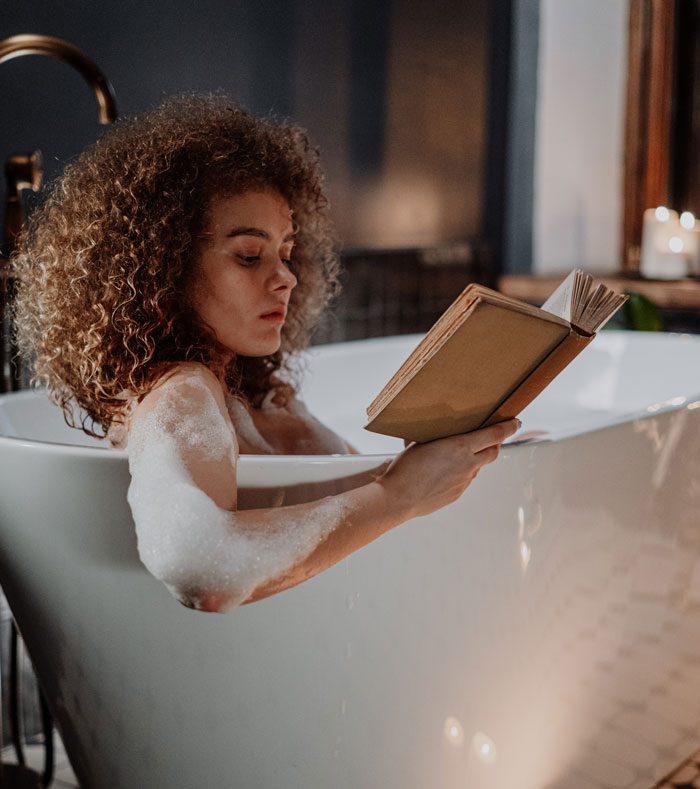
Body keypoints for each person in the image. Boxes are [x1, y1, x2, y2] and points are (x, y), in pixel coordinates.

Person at [11, 94, 518, 612]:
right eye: (250, 256)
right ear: (163, 270)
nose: (286, 277)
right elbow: (200, 564)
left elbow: (345, 483)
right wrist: (398, 497)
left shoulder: (257, 392)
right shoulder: (182, 391)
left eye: (286, 252)